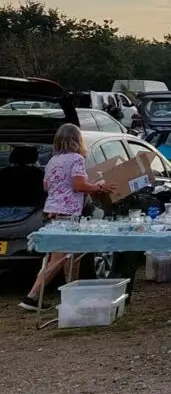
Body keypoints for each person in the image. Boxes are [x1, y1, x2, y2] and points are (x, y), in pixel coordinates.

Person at [21, 124, 116, 311]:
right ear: (77, 140)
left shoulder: (52, 161)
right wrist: (99, 187)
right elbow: (78, 185)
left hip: (51, 211)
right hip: (66, 214)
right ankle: (31, 297)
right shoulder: (77, 159)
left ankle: (71, 295)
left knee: (72, 256)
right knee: (58, 258)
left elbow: (47, 186)